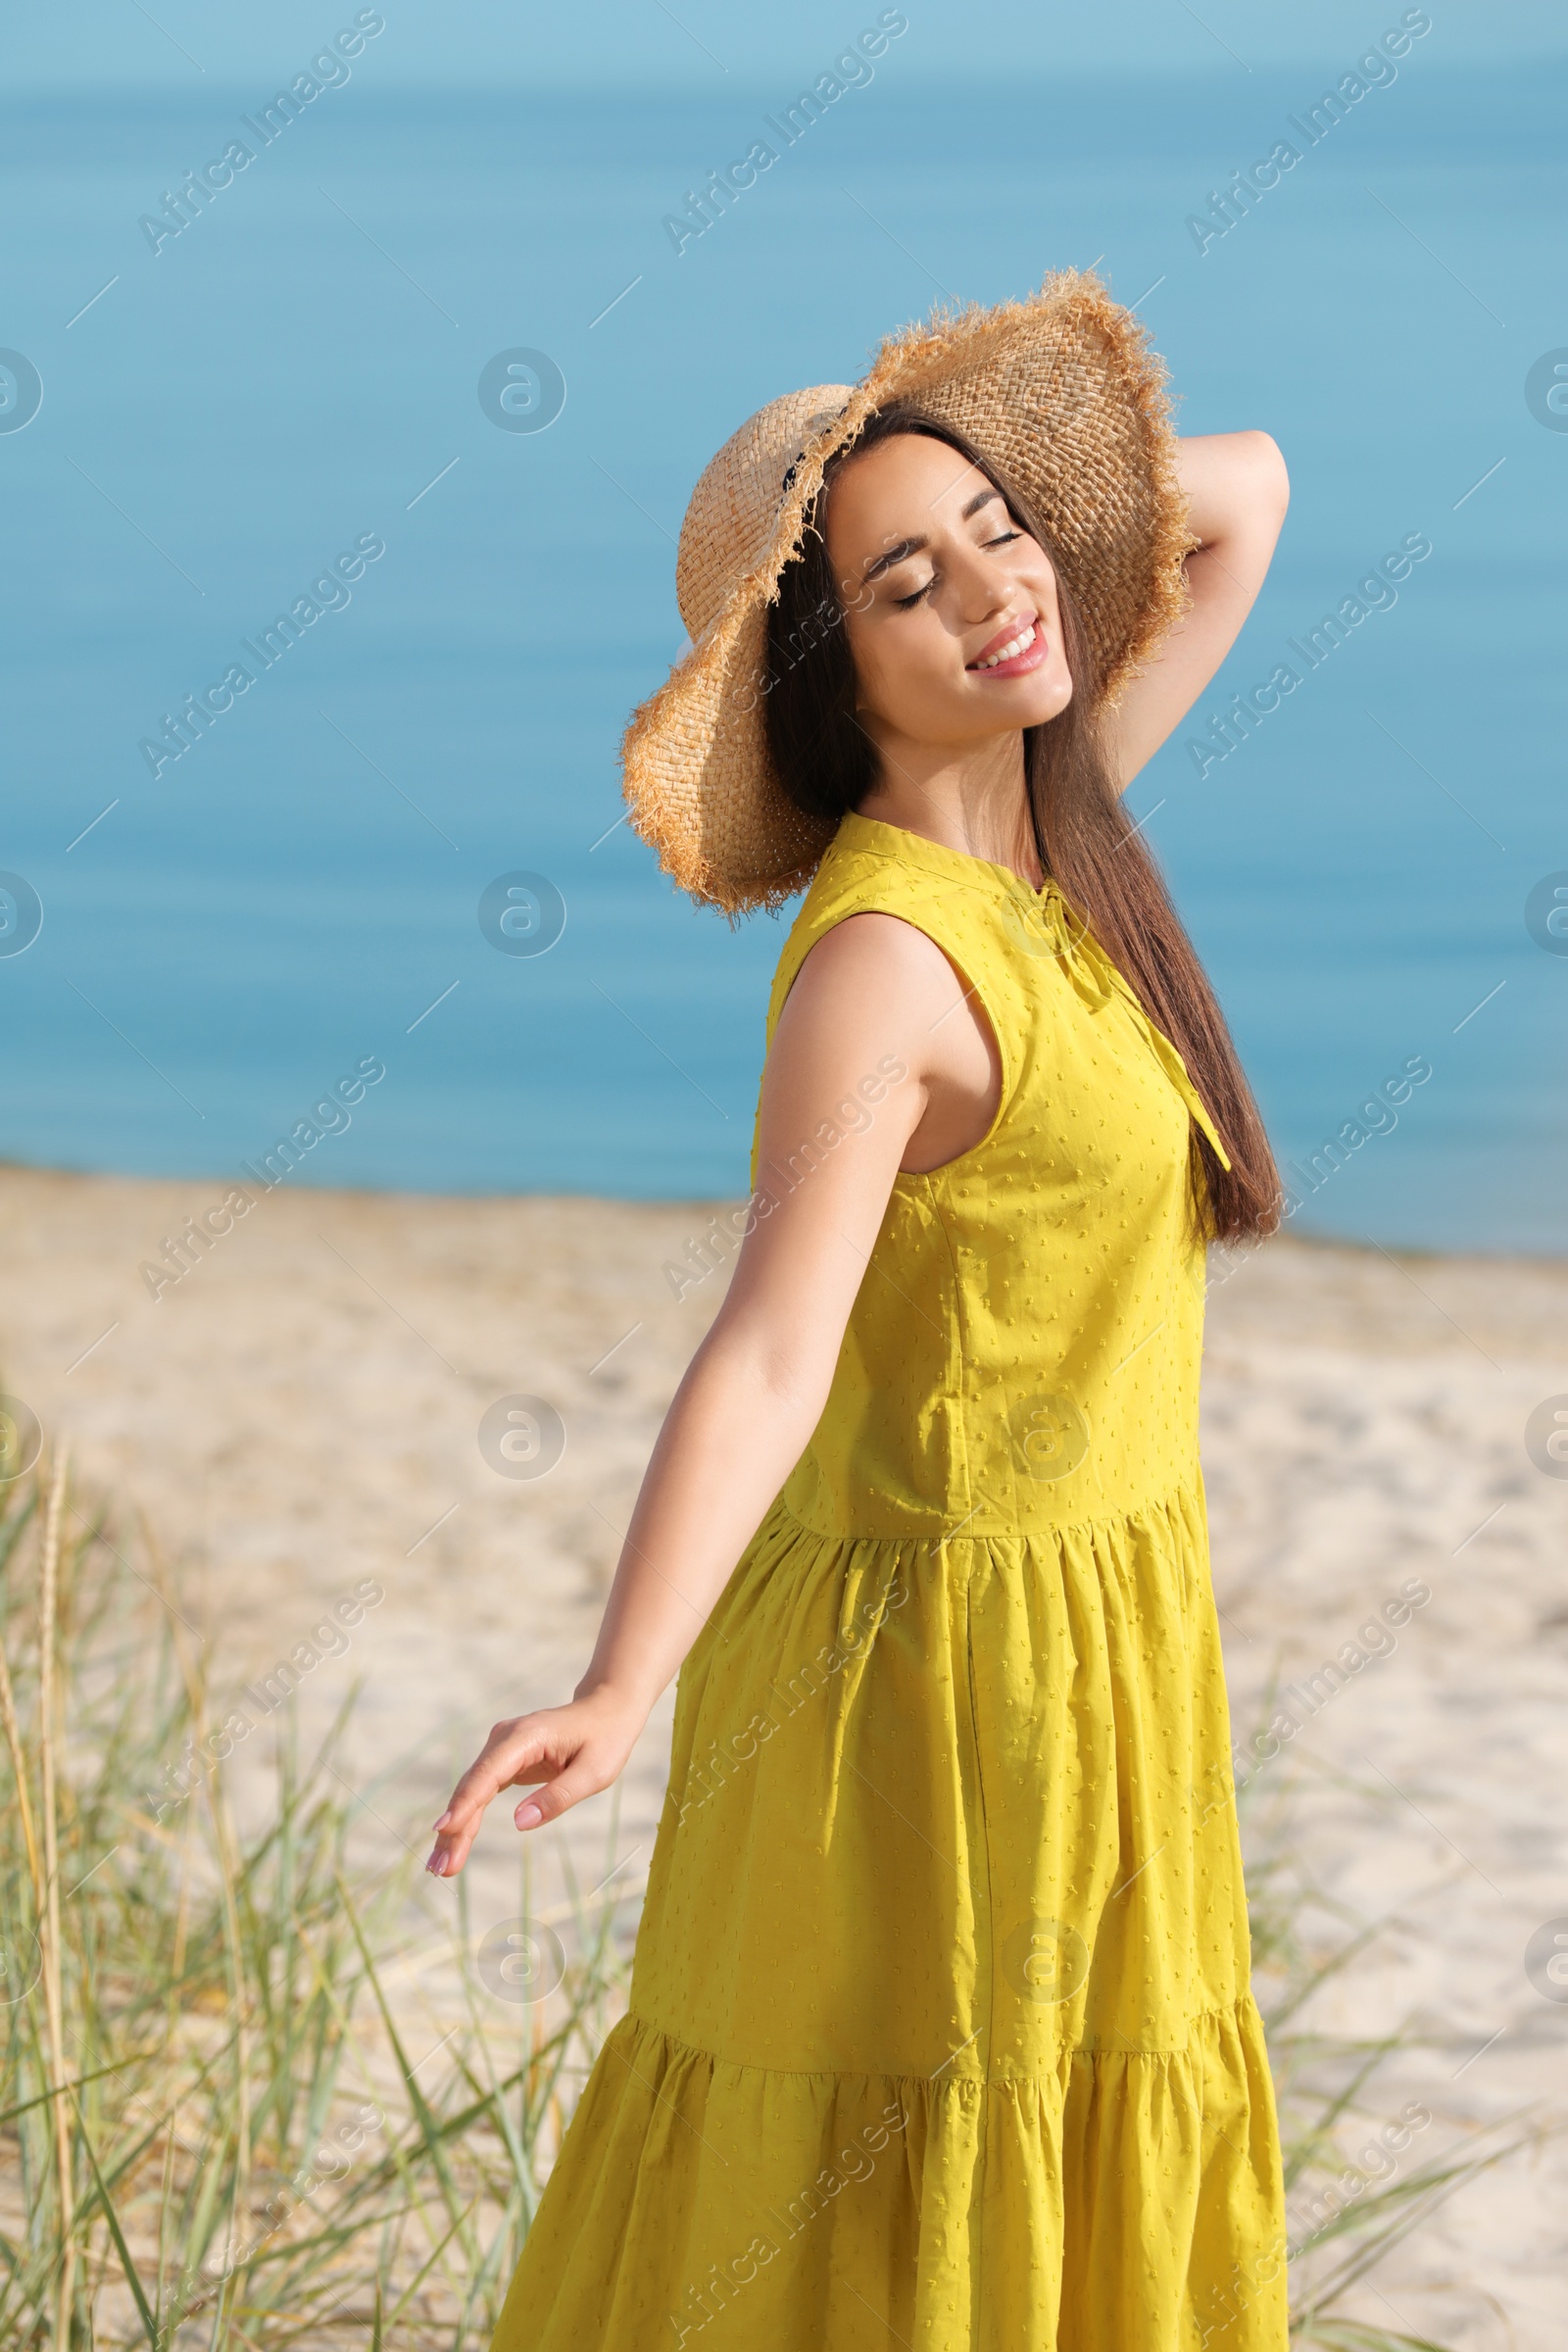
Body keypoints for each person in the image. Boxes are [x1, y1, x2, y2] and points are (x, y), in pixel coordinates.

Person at [429, 270, 1293, 2350]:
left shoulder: (1046, 821)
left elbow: (1242, 500)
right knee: (918, 2165)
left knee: (1062, 2126)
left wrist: (966, 485)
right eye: (910, 586)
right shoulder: (886, 968)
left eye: (1004, 527)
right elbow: (765, 1348)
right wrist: (617, 1685)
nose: (998, 590)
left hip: (1100, 1628)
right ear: (836, 680)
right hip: (937, 1666)